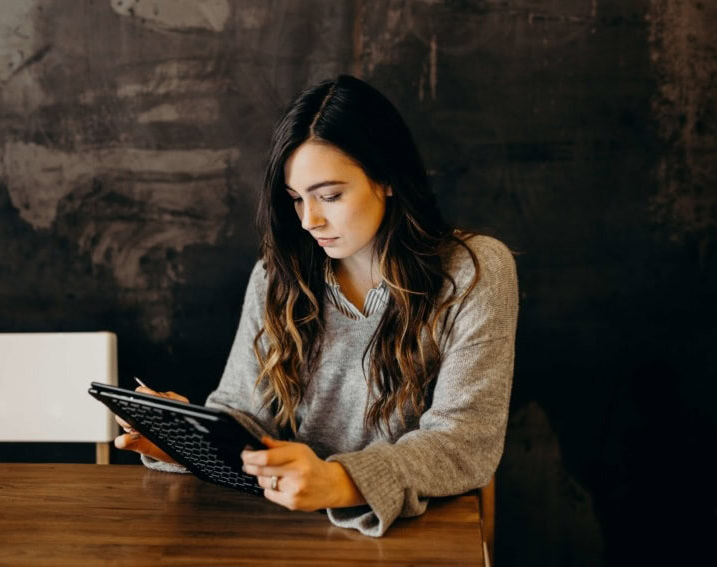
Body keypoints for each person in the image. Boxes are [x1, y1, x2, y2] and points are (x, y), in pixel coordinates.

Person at [114, 74, 519, 537]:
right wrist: (183, 440)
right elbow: (246, 417)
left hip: (421, 536)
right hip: (291, 534)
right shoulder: (276, 276)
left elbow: (465, 441)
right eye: (296, 200)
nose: (310, 220)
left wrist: (340, 481)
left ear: (386, 178)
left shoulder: (474, 272)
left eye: (330, 196)